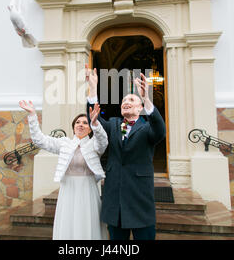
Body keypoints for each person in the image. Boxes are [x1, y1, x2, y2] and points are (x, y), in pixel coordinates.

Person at [85, 66, 166, 240]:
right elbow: (95, 120)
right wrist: (92, 89)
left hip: (139, 199)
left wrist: (146, 98)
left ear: (140, 108)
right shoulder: (113, 124)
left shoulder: (147, 128)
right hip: (115, 200)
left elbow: (160, 130)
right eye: (123, 101)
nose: (125, 102)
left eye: (131, 99)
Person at [19, 100, 108, 240]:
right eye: (78, 122)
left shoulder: (93, 144)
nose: (81, 125)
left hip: (88, 190)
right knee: (68, 221)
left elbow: (103, 141)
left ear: (90, 129)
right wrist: (32, 115)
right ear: (73, 127)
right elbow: (39, 140)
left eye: (85, 123)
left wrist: (96, 123)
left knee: (87, 220)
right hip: (68, 189)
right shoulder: (64, 143)